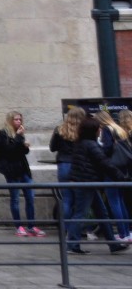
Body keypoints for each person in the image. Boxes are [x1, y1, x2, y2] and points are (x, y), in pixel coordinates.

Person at [66, 115, 129, 255]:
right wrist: (121, 177)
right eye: (98, 127)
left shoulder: (81, 143)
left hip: (86, 182)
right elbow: (104, 163)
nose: (100, 130)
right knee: (80, 214)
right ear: (93, 130)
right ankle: (72, 245)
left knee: (102, 213)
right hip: (86, 183)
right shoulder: (91, 145)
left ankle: (113, 244)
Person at [0, 110, 44, 237]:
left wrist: (25, 146)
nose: (19, 122)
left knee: (30, 197)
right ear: (10, 121)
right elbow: (9, 151)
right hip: (12, 171)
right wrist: (19, 138)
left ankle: (31, 226)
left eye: (20, 119)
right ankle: (19, 227)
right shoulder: (3, 134)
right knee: (15, 199)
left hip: (23, 169)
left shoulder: (19, 133)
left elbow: (21, 152)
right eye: (16, 119)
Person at [94, 110, 131, 241]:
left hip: (111, 169)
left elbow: (107, 149)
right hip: (121, 169)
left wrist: (98, 145)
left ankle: (122, 234)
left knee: (114, 202)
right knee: (120, 201)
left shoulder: (106, 130)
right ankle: (127, 232)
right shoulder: (118, 128)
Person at [49, 106, 86, 238]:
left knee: (66, 199)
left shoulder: (59, 129)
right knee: (79, 200)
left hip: (64, 165)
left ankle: (64, 230)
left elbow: (52, 148)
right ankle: (75, 230)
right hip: (78, 166)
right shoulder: (83, 130)